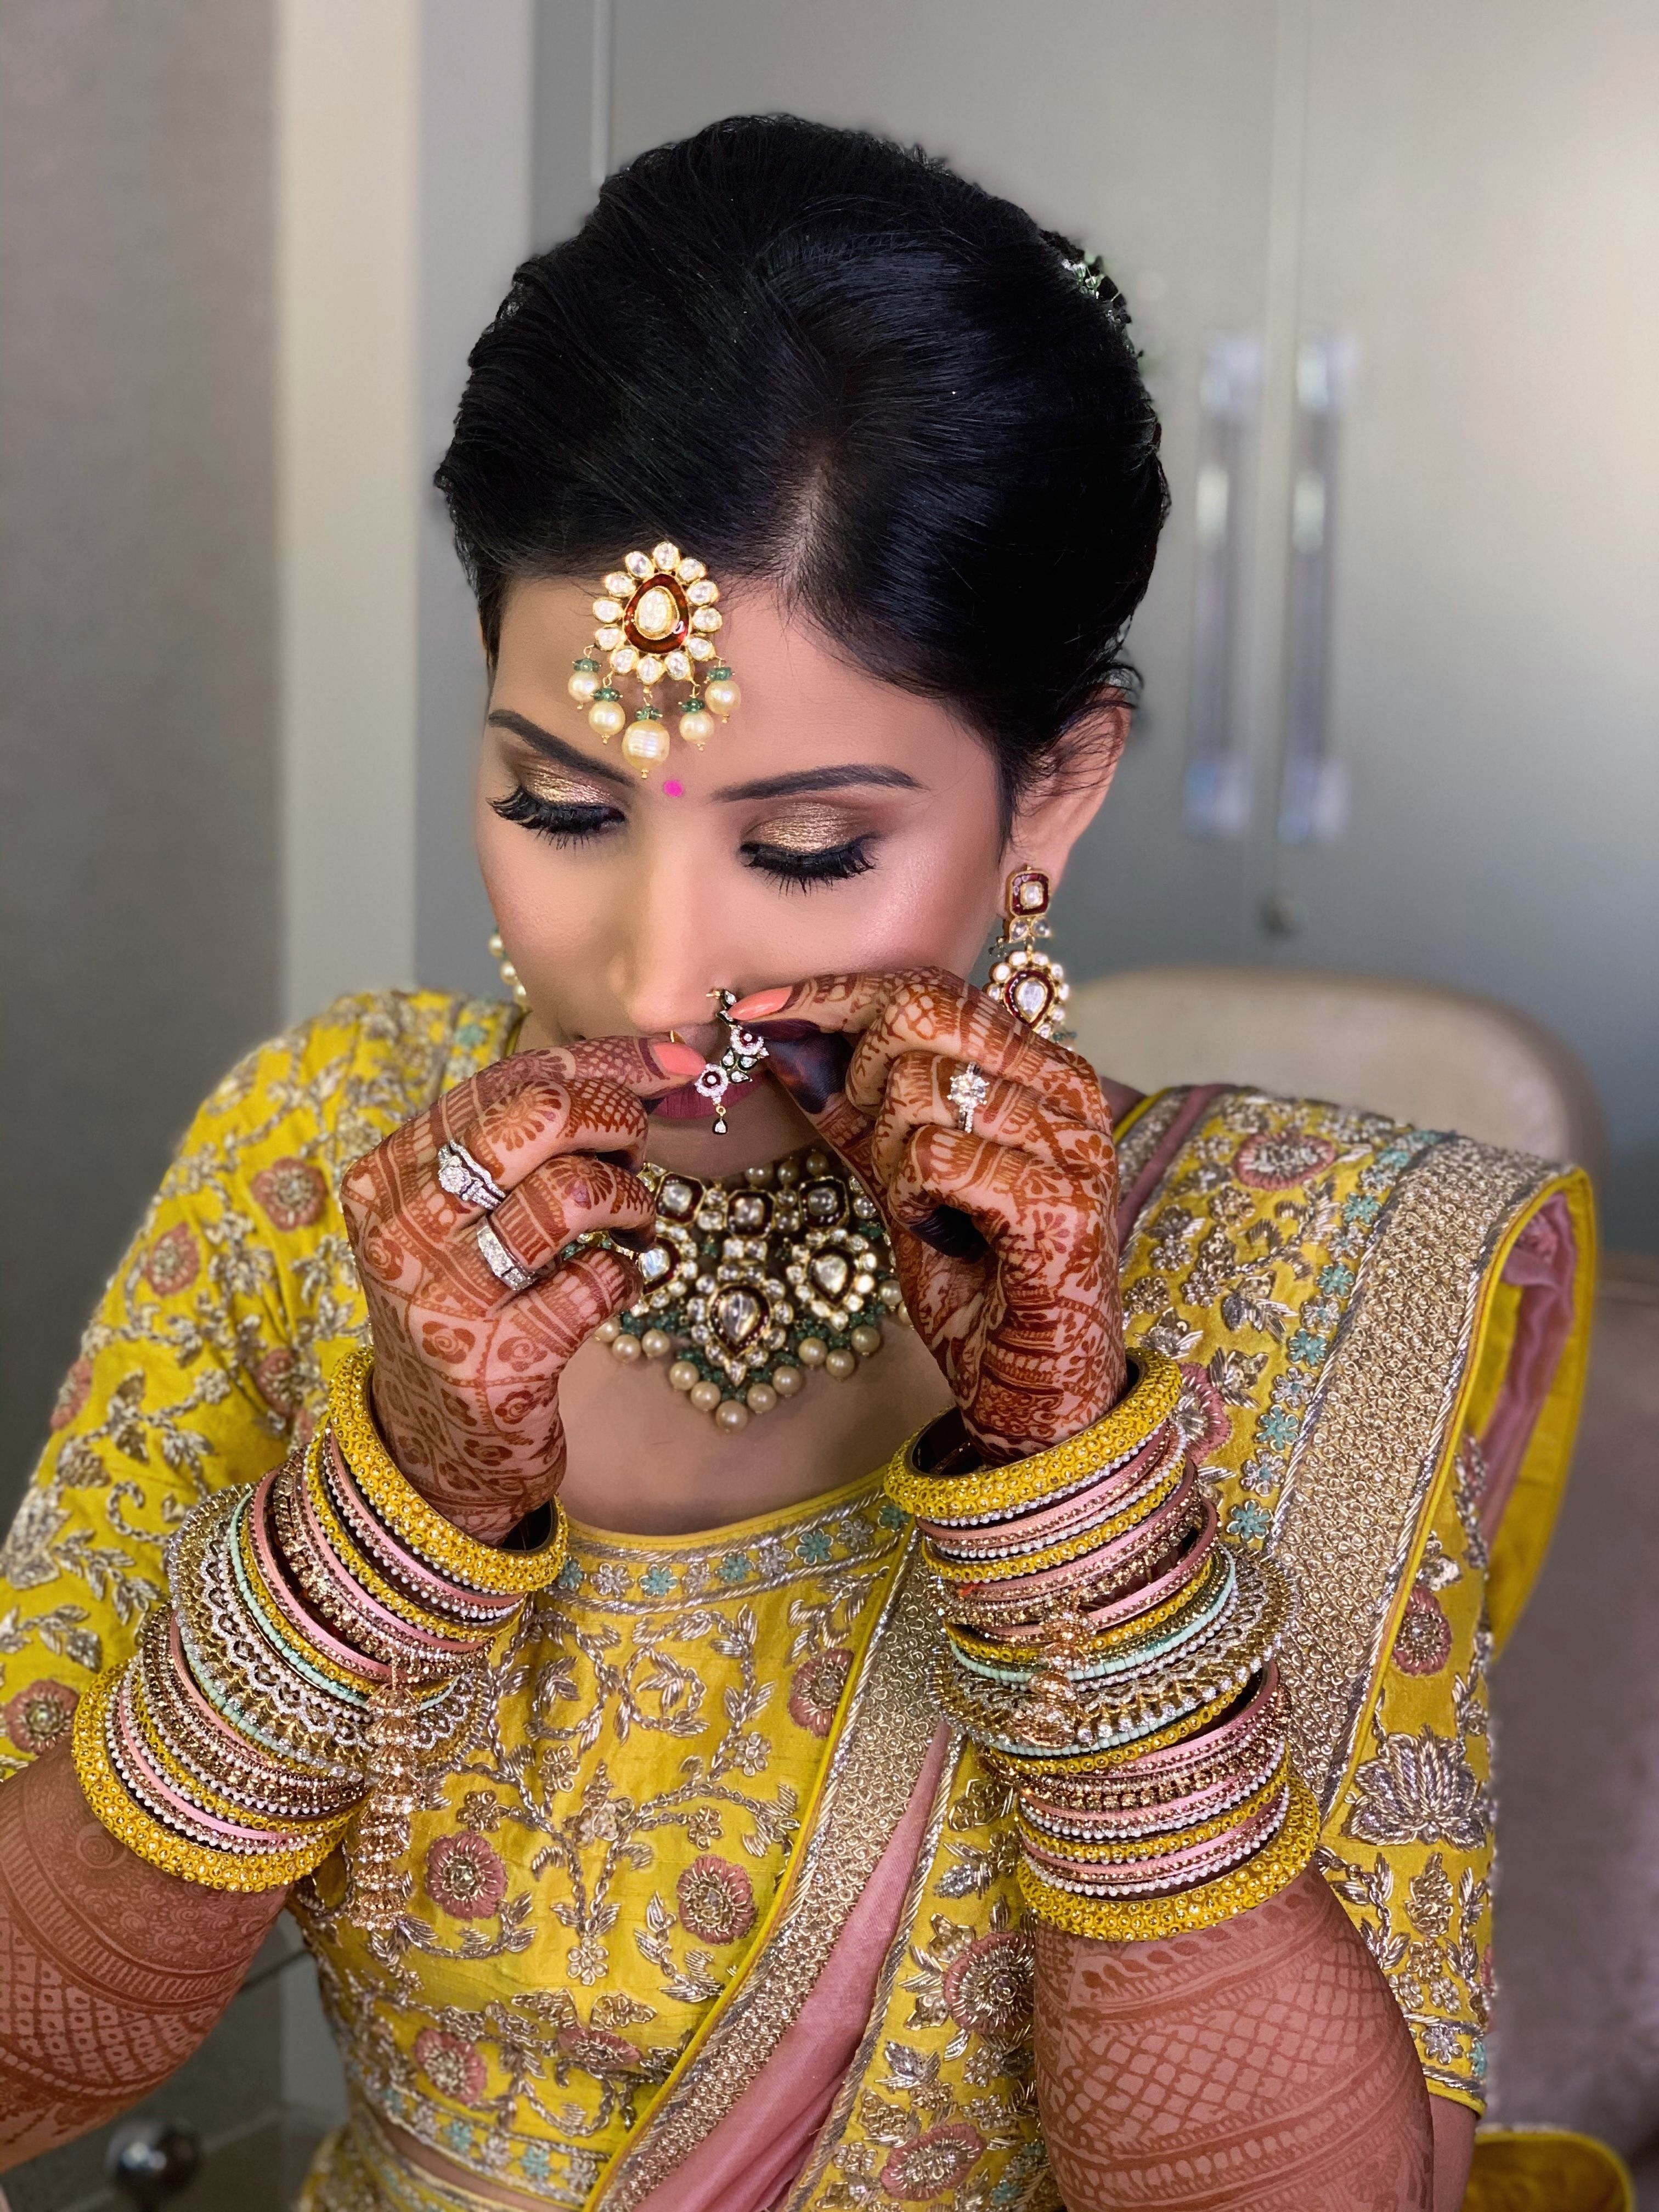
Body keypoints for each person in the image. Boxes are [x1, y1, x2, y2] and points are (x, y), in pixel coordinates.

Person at [0, 116, 1617, 2212]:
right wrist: (375, 1520)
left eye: (810, 846)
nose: (654, 967)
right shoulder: (330, 1163)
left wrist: (1075, 1498)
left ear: (1055, 793)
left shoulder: (1300, 1278)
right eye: (560, 808)